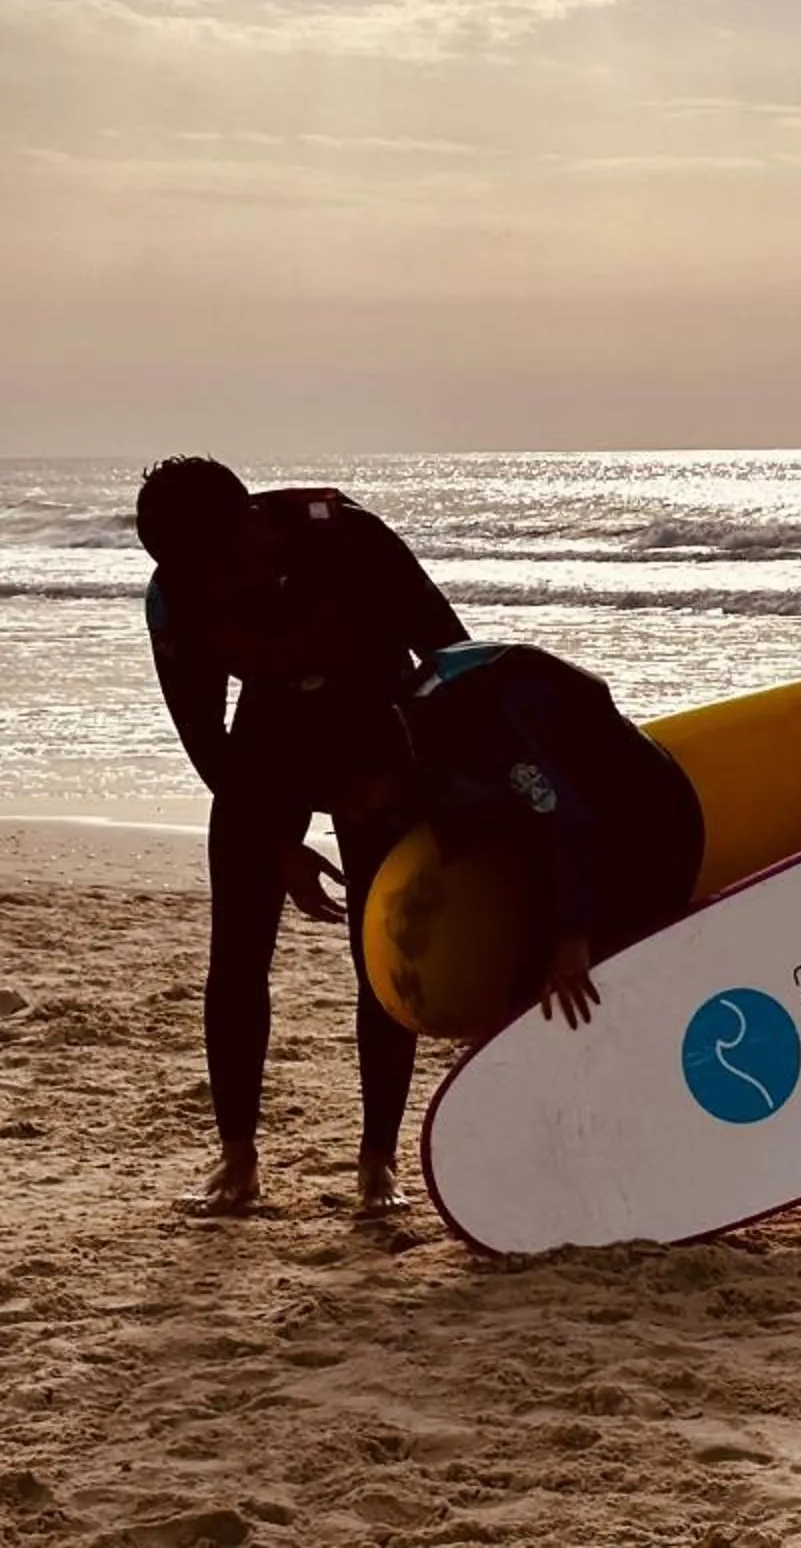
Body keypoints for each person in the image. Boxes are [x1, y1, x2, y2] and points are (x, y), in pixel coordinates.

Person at [135, 456, 468, 1217]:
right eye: (200, 577)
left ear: (252, 524)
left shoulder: (348, 538)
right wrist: (278, 847)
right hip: (267, 743)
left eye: (228, 567)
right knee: (236, 955)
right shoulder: (176, 596)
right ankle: (237, 1162)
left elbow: (453, 662)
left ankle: (378, 1164)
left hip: (378, 732)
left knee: (381, 957)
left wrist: (422, 785)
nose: (224, 587)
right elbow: (204, 737)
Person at [347, 640, 706, 1035]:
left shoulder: (483, 724)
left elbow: (570, 822)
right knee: (530, 990)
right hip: (564, 813)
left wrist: (573, 939)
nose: (360, 815)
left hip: (651, 821)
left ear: (382, 767)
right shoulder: (402, 723)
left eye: (358, 799)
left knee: (599, 983)